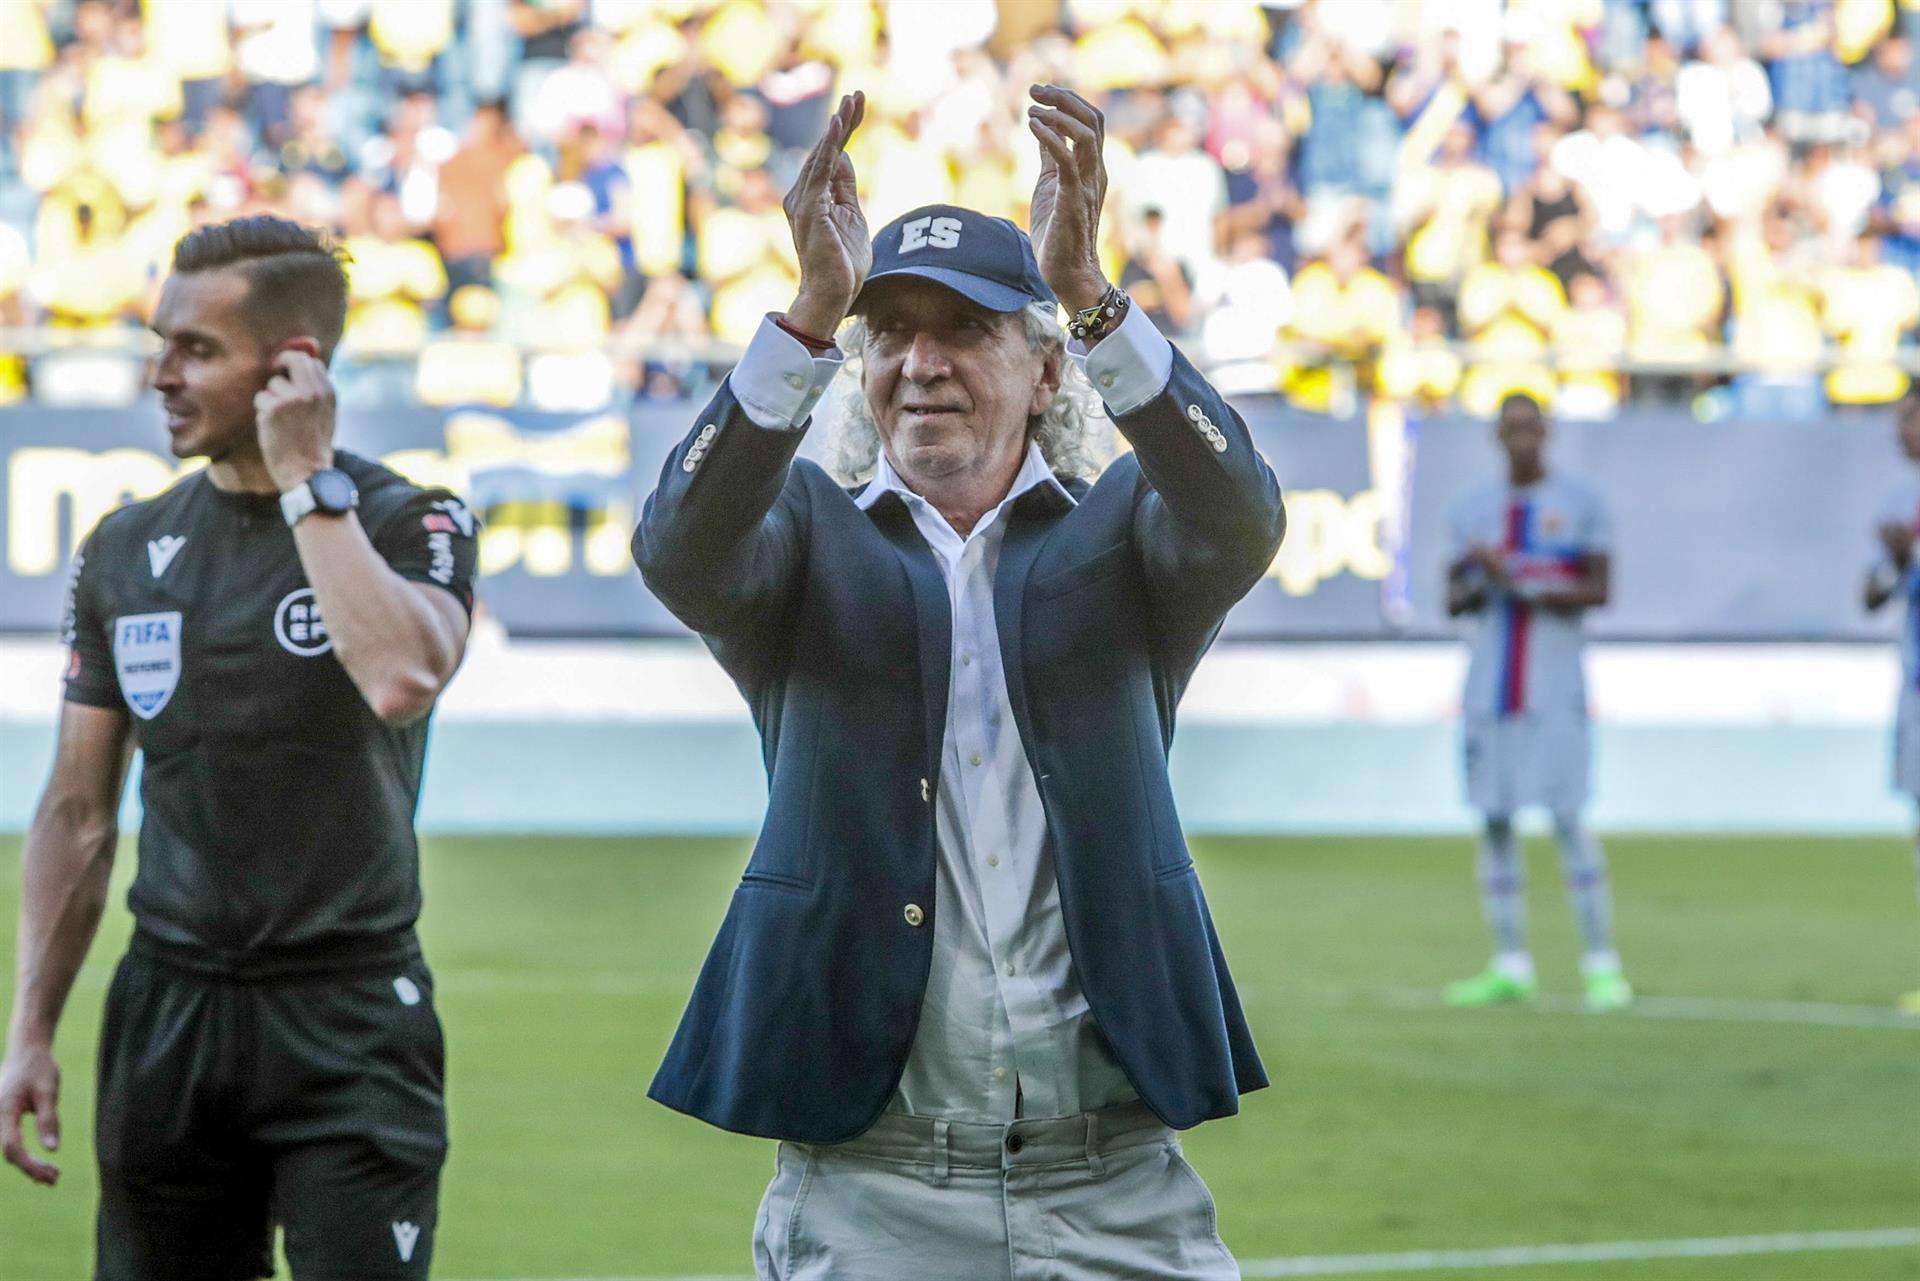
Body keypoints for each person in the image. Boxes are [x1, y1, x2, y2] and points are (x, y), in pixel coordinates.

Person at [633, 87, 1285, 1279]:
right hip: (873, 1189)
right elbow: (678, 546)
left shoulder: (1124, 538)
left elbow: (1240, 513)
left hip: (1114, 1185)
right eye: (890, 334)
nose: (920, 364)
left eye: (964, 331)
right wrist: (808, 312)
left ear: (1044, 371)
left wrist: (1090, 294)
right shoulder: (802, 542)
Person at [0, 216, 478, 1278]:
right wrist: (29, 1027)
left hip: (351, 1021)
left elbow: (402, 676)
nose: (160, 374)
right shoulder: (125, 550)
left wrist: (309, 482)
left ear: (294, 365)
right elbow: (79, 814)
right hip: (168, 1014)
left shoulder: (412, 520)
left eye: (196, 349)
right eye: (162, 340)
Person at [1443, 393, 1631, 1012]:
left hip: (1556, 688)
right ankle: (1510, 963)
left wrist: (1515, 577)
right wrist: (1477, 576)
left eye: (1531, 426)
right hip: (1491, 686)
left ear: (1545, 432)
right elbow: (1452, 600)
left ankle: (1602, 966)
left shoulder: (1580, 505)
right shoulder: (1474, 509)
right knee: (1494, 820)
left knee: (1569, 818)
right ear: (1497, 436)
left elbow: (1600, 589)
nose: (1522, 437)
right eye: (1511, 427)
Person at [1865, 393, 1920, 1016]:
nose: (1898, 433)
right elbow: (1873, 592)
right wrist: (1896, 564)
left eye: (1907, 419)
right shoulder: (1895, 507)